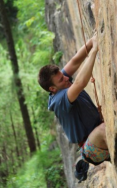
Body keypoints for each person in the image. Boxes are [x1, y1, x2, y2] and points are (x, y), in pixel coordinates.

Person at [38, 33, 110, 165]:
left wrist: (91, 41)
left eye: (62, 75)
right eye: (61, 79)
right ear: (52, 89)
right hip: (90, 148)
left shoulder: (60, 82)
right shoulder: (59, 100)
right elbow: (80, 83)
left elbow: (75, 61)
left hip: (94, 136)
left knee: (105, 128)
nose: (66, 78)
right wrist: (94, 51)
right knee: (105, 129)